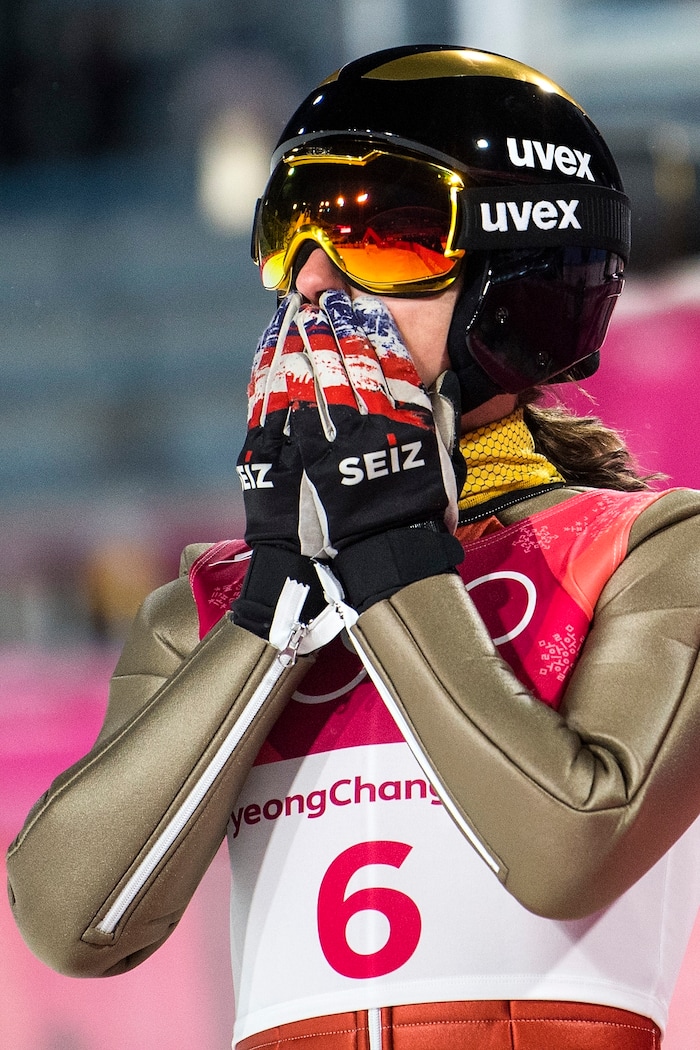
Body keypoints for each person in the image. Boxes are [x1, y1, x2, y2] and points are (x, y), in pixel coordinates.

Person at [7, 44, 700, 1050]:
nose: (314, 279)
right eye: (291, 231)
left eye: (383, 235)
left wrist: (388, 554)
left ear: (521, 281)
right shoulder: (205, 605)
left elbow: (570, 852)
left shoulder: (648, 553)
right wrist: (273, 610)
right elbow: (71, 924)